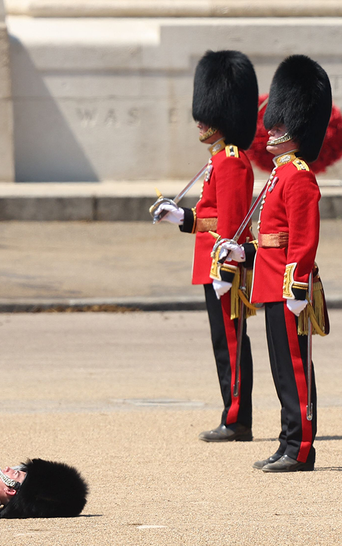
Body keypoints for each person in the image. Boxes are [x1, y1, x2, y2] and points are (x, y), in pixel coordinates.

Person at [218, 55, 331, 472]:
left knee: (295, 370)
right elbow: (271, 238)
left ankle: (300, 448)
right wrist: (240, 252)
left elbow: (303, 238)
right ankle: (288, 443)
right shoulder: (279, 176)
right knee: (281, 371)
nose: (271, 129)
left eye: (280, 125)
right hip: (269, 282)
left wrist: (298, 284)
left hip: (289, 287)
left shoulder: (299, 176)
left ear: (296, 129)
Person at [151, 50, 258, 442]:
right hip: (211, 262)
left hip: (222, 267)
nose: (201, 120)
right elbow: (211, 217)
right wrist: (180, 217)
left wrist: (225, 272)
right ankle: (234, 415)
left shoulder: (230, 161)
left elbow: (230, 224)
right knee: (223, 342)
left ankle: (236, 419)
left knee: (229, 342)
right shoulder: (219, 160)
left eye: (208, 113)